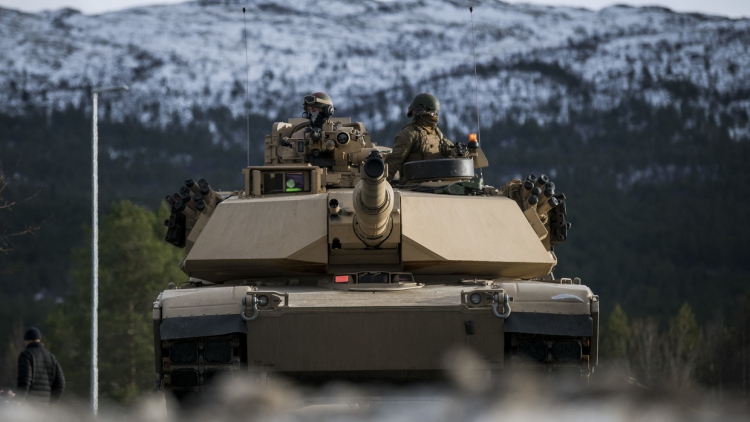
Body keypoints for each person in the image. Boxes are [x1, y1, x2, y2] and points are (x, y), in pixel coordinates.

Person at [384, 93, 466, 182]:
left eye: (436, 112)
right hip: (413, 185)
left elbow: (447, 150)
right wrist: (383, 183)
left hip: (435, 184)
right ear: (422, 112)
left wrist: (456, 151)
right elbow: (394, 161)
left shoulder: (436, 132)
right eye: (433, 112)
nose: (435, 115)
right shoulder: (409, 133)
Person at [16, 327, 65, 404]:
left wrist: (17, 400)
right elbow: (60, 383)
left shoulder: (26, 355)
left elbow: (24, 381)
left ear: (28, 340)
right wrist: (51, 401)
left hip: (30, 405)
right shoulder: (51, 357)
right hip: (45, 407)